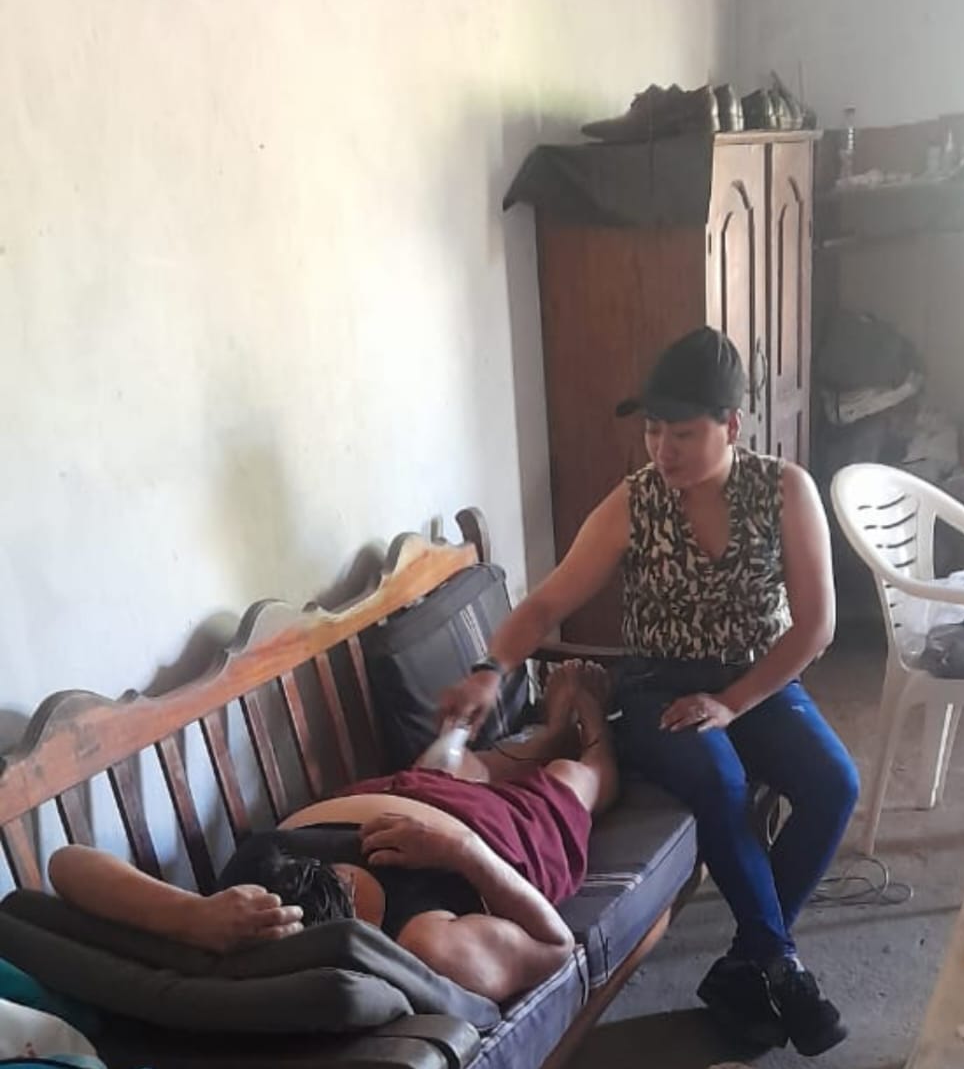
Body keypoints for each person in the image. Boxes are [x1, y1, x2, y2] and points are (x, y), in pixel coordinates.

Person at [440, 327, 859, 1056]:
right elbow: (546, 604)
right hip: (658, 689)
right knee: (720, 780)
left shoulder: (784, 490)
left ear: (732, 426)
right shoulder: (634, 503)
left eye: (684, 433)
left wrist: (733, 701)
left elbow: (815, 626)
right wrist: (488, 669)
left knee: (834, 784)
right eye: (653, 431)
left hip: (756, 680)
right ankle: (779, 966)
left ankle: (746, 965)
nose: (663, 450)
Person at [48, 663, 615, 1004]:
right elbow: (554, 947)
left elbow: (66, 863)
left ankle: (510, 736)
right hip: (486, 837)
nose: (349, 869)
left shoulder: (235, 917)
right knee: (572, 780)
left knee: (449, 764)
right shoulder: (425, 941)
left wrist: (192, 914)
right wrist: (460, 850)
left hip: (389, 792)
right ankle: (593, 731)